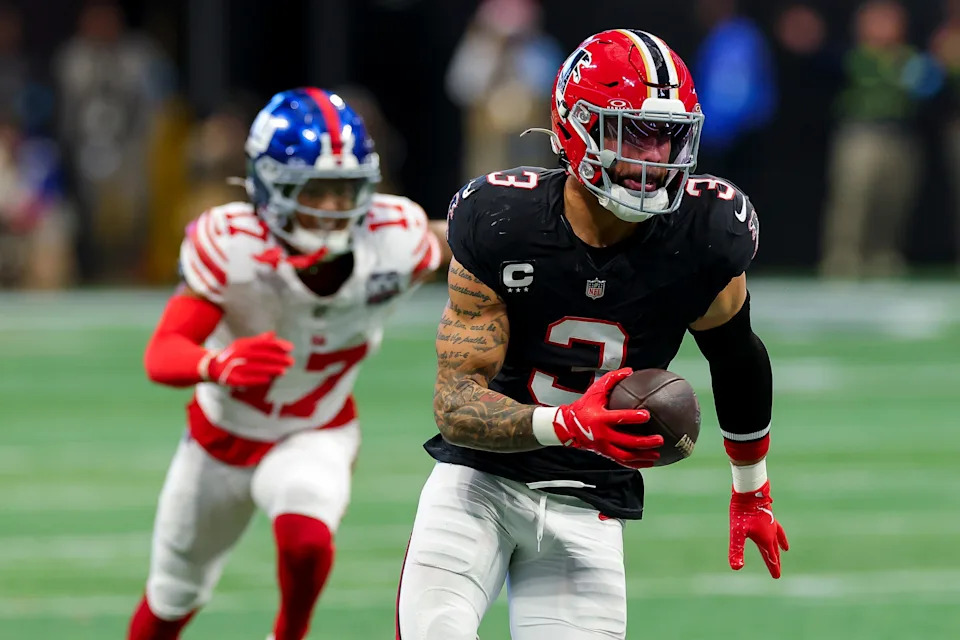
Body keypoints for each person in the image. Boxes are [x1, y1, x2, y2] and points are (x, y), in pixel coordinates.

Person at [396, 29, 788, 640]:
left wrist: (751, 491)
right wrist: (568, 423)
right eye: (632, 133)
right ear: (576, 128)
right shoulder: (505, 221)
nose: (654, 158)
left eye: (667, 135)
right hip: (480, 483)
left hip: (591, 501)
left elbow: (737, 355)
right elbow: (455, 405)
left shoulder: (706, 234)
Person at [128, 87, 443, 640]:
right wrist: (219, 364)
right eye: (314, 189)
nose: (332, 207)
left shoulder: (395, 238)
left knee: (307, 539)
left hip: (315, 427)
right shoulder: (234, 245)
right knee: (172, 595)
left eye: (344, 189)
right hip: (222, 439)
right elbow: (163, 351)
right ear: (270, 186)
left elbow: (469, 240)